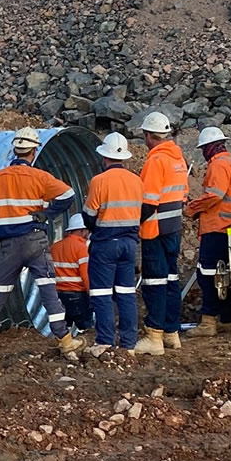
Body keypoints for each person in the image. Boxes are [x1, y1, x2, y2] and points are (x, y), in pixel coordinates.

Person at [0, 127, 80, 359]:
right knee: (48, 288)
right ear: (33, 151)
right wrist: (47, 214)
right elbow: (69, 195)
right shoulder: (40, 177)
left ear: (15, 150)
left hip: (9, 245)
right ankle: (64, 339)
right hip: (34, 240)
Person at [82, 132, 143, 356]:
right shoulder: (136, 180)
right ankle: (128, 343)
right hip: (129, 243)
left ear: (104, 157)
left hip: (105, 242)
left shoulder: (99, 181)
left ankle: (105, 340)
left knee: (101, 293)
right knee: (126, 292)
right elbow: (143, 210)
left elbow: (89, 215)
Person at [135, 111, 190, 356]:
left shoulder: (156, 160)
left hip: (155, 230)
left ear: (150, 135)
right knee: (170, 280)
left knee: (155, 281)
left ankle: (154, 336)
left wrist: (133, 224)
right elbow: (183, 195)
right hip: (173, 229)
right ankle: (171, 332)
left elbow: (148, 202)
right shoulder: (178, 160)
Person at [186, 126, 231, 336]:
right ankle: (228, 320)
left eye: (204, 148)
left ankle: (208, 322)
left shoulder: (218, 166)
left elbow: (214, 195)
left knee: (208, 275)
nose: (203, 153)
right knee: (226, 276)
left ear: (209, 147)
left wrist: (191, 208)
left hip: (217, 227)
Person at [50, 214, 92, 334]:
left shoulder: (54, 247)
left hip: (58, 296)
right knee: (86, 330)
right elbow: (86, 275)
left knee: (63, 330)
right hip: (78, 295)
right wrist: (92, 294)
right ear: (82, 231)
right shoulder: (82, 248)